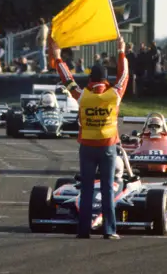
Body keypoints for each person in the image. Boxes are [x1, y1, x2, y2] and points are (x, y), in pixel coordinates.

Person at [54, 36, 128, 240]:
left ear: (91, 79)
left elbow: (67, 79)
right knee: (108, 188)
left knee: (86, 189)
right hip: (108, 148)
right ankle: (109, 230)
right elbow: (124, 75)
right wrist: (121, 51)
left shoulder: (82, 95)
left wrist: (58, 57)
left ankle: (83, 230)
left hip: (86, 147)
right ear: (105, 79)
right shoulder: (114, 94)